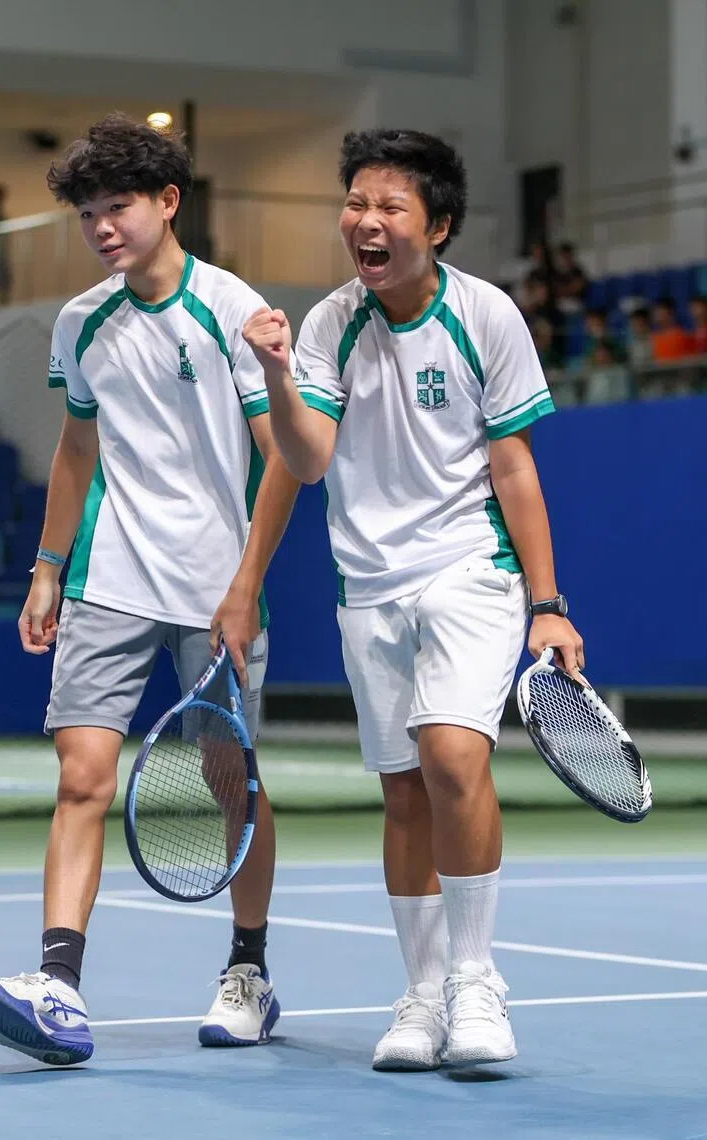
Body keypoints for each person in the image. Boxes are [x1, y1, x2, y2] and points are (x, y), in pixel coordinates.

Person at [0, 115, 300, 1066]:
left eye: (118, 207)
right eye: (87, 214)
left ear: (168, 202)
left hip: (217, 588)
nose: (102, 227)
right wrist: (47, 567)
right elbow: (77, 449)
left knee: (232, 783)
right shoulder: (82, 321)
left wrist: (246, 586)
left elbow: (280, 459)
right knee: (80, 779)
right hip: (108, 578)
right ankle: (58, 987)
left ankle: (249, 971)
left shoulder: (232, 308)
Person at [243, 129, 583, 1072]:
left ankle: (476, 980)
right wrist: (275, 374)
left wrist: (548, 602)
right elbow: (307, 460)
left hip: (470, 567)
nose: (366, 220)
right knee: (403, 793)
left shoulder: (486, 315)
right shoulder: (330, 325)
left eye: (390, 206)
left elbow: (514, 467)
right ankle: (424, 994)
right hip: (369, 584)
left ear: (436, 226)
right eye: (356, 203)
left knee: (452, 756)